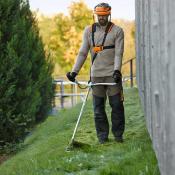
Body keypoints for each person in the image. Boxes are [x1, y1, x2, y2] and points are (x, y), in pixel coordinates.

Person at [66, 2, 125, 144]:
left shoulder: (117, 31)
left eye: (104, 15)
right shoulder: (88, 31)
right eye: (99, 15)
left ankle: (118, 136)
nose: (101, 18)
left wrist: (117, 70)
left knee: (116, 106)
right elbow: (82, 53)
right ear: (95, 15)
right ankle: (102, 138)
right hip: (96, 75)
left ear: (109, 15)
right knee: (98, 109)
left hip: (112, 75)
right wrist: (74, 71)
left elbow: (118, 53)